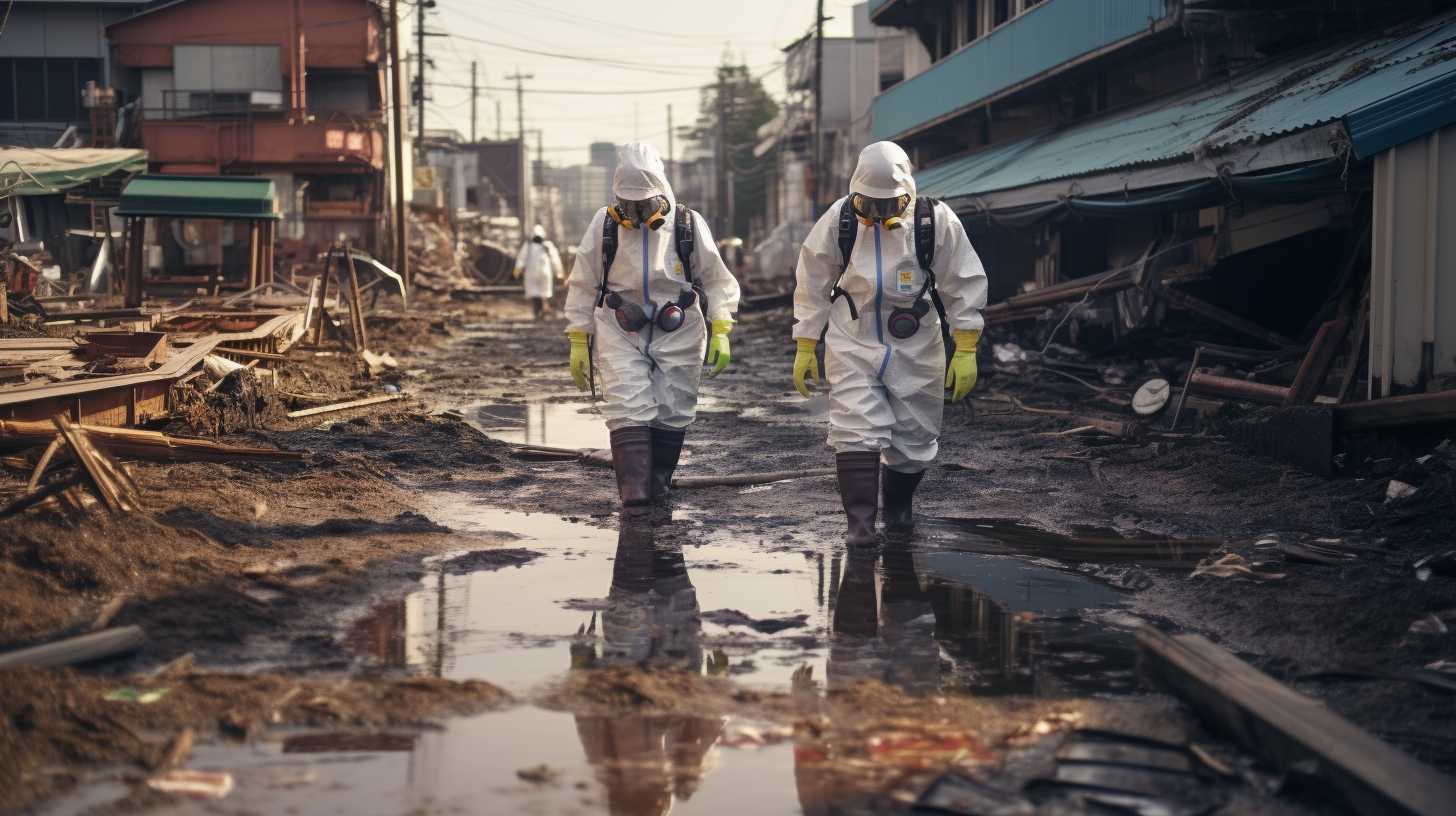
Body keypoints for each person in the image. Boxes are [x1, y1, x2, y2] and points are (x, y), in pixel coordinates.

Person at [791, 141, 988, 545]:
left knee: (915, 437)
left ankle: (898, 509)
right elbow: (811, 281)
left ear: (908, 196)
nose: (879, 217)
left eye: (890, 206)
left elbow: (962, 281)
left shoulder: (934, 221)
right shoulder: (839, 220)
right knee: (854, 429)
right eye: (870, 206)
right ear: (855, 192)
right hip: (854, 337)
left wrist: (966, 345)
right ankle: (859, 527)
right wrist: (806, 342)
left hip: (916, 342)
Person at [564, 142, 741, 510]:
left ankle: (658, 483)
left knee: (673, 408)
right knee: (627, 405)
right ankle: (635, 496)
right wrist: (579, 337)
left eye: (644, 206)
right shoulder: (605, 224)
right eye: (627, 207)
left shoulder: (687, 224)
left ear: (662, 193)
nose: (637, 216)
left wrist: (721, 326)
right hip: (619, 325)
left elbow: (717, 279)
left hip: (678, 324)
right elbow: (583, 281)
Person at [513, 223, 563, 320]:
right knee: (541, 294)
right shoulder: (545, 246)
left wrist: (517, 270)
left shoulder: (532, 246)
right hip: (543, 274)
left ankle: (542, 312)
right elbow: (555, 260)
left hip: (534, 274)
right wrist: (559, 272)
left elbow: (521, 259)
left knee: (539, 294)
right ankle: (540, 312)